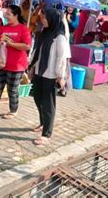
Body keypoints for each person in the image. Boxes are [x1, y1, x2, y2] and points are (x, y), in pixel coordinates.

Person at [30, 8, 70, 146]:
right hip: (39, 71)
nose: (43, 20)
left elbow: (61, 58)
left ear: (53, 19)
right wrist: (32, 67)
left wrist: (60, 76)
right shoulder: (45, 33)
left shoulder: (59, 37)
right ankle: (42, 122)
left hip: (51, 74)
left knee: (48, 103)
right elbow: (38, 52)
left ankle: (47, 133)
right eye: (42, 18)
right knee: (36, 97)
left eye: (45, 18)